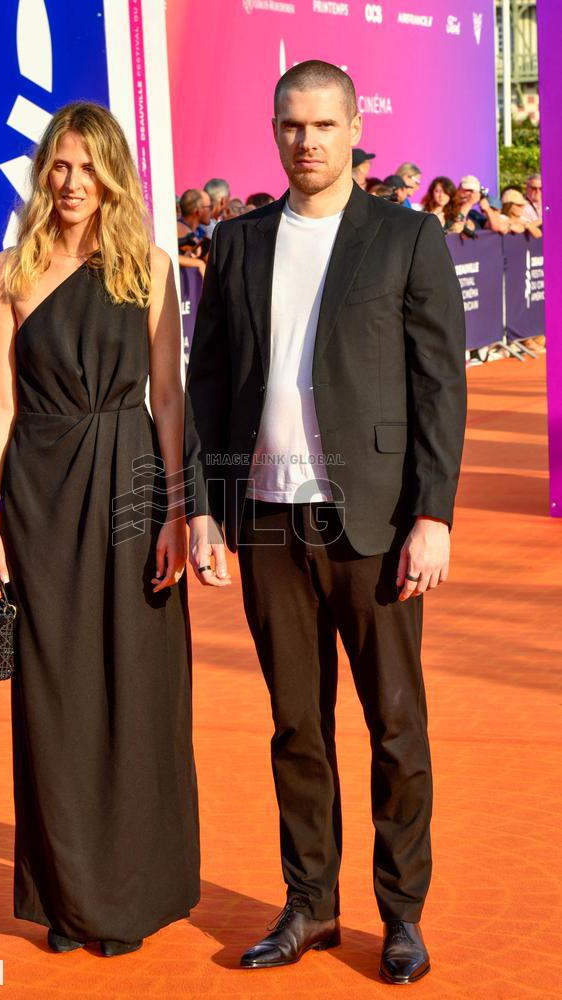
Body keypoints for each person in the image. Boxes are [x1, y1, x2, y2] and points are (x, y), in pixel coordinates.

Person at [185, 59, 466, 984]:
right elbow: (212, 385)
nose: (306, 141)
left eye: (322, 125)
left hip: (377, 521)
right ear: (274, 131)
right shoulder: (237, 243)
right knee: (296, 727)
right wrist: (208, 510)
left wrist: (433, 514)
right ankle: (310, 904)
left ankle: (402, 914)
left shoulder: (407, 237)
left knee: (395, 727)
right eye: (290, 125)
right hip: (267, 521)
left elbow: (439, 388)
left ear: (353, 131)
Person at [0, 100, 200, 956]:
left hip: (127, 488)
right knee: (54, 698)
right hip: (37, 498)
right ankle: (66, 899)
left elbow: (168, 396)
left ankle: (131, 895)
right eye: (59, 167)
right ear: (45, 174)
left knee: (135, 693)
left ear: (113, 172)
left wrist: (177, 509)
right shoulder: (8, 272)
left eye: (86, 167)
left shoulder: (147, 266)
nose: (71, 183)